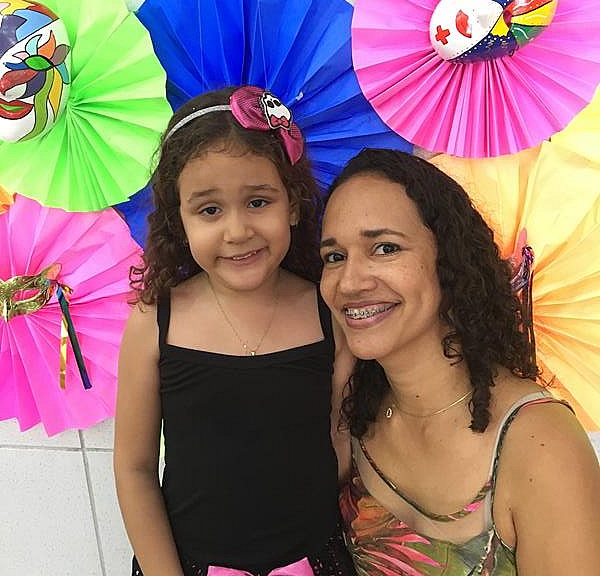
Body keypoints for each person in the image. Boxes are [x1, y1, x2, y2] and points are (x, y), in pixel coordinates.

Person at [319, 149, 600, 575]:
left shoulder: (540, 443)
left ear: (448, 261)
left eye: (385, 248)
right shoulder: (354, 415)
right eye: (334, 257)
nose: (350, 281)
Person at [114, 86, 355, 576]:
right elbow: (134, 468)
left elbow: (341, 446)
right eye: (209, 210)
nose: (238, 231)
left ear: (293, 205)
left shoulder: (329, 312)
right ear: (179, 220)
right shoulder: (155, 321)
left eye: (258, 202)